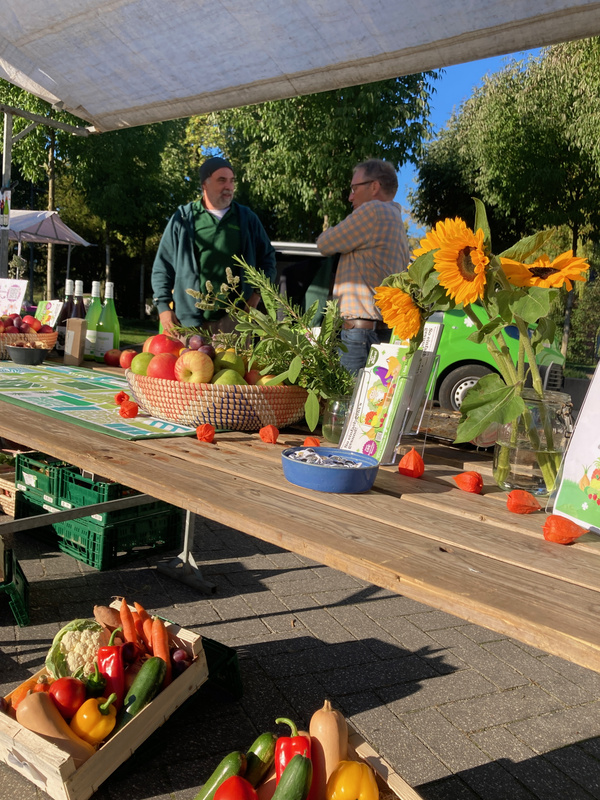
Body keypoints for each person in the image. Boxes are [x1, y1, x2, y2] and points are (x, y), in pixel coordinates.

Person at [152, 156, 277, 335]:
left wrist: (256, 296)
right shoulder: (184, 219)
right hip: (190, 322)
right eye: (222, 180)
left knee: (235, 364)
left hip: (237, 321)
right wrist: (163, 307)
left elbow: (268, 260)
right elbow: (162, 266)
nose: (229, 186)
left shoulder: (247, 219)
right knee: (190, 364)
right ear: (205, 184)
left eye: (232, 181)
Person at [316, 158, 411, 373]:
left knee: (347, 402)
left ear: (374, 186)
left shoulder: (373, 211)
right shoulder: (396, 219)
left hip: (359, 334)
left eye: (354, 188)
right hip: (381, 331)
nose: (350, 196)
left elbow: (325, 243)